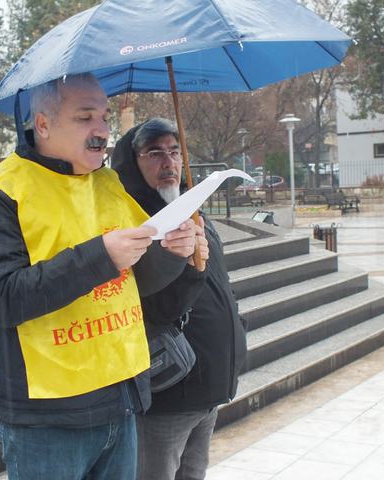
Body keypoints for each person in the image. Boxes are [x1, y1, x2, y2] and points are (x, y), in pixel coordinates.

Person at [0, 75, 203, 480]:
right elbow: (2, 298)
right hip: (49, 417)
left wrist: (174, 253)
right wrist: (100, 256)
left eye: (105, 117)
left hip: (121, 398)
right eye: (85, 117)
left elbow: (138, 279)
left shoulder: (107, 183)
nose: (103, 130)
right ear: (42, 124)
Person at [112, 118, 248, 480]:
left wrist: (237, 331)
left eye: (174, 151)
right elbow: (157, 306)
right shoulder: (131, 224)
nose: (168, 162)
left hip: (210, 387)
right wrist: (183, 262)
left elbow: (221, 286)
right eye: (154, 153)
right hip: (170, 391)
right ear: (131, 161)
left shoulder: (194, 212)